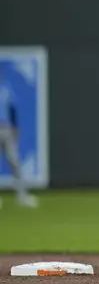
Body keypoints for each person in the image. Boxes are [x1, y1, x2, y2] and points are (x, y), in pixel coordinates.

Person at [0, 70, 38, 209]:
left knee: (15, 162)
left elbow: (12, 109)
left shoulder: (6, 88)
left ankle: (22, 196)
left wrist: (15, 128)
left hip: (6, 128)